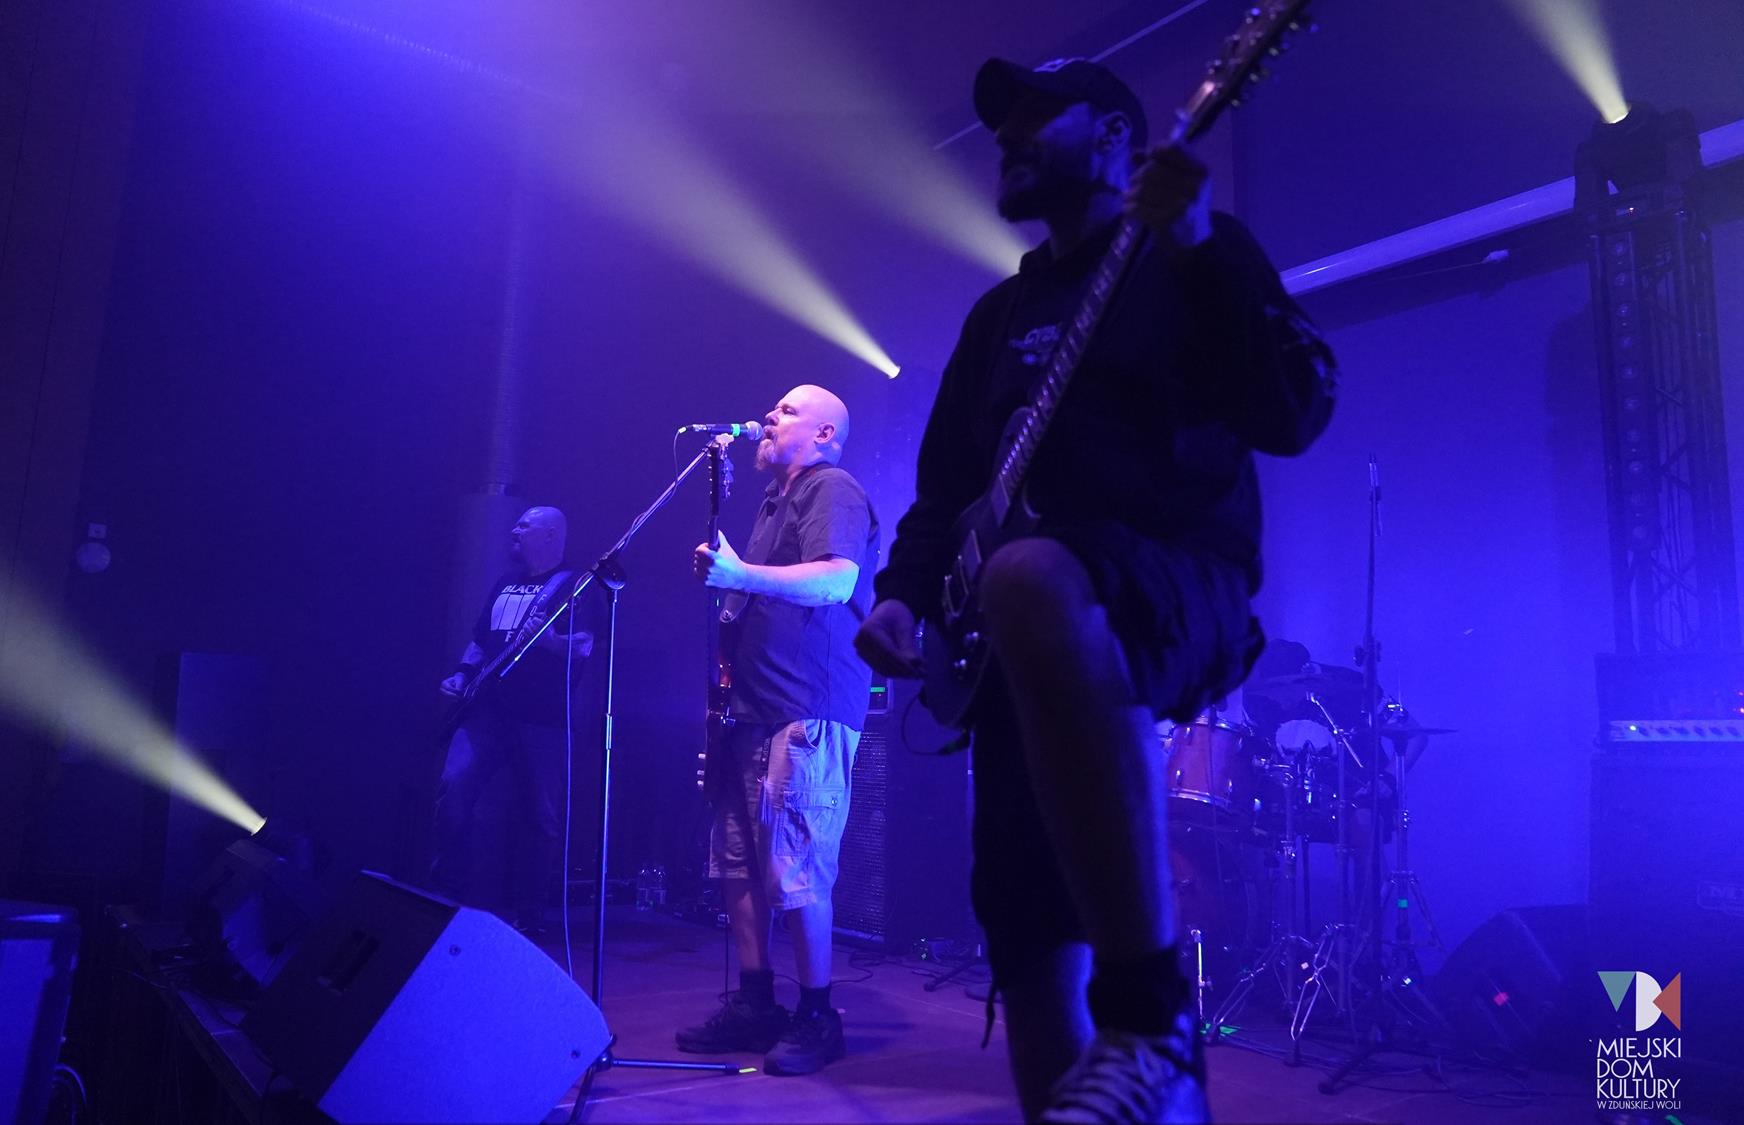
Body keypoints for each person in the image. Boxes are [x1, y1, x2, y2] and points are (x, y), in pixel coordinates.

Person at [854, 58, 1337, 1124]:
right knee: (1025, 926)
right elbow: (947, 487)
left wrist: (1201, 246)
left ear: (1117, 136)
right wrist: (904, 593)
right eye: (1003, 123)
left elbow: (1297, 409)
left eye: (1038, 115)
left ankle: (1148, 1012)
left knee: (1032, 571)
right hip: (1018, 633)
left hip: (1180, 580)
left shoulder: (1191, 253)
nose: (1008, 137)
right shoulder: (998, 315)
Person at [678, 384, 879, 1077]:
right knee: (737, 862)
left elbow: (836, 582)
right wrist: (734, 582)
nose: (769, 415)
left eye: (788, 411)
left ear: (824, 434)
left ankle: (818, 1013)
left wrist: (741, 573)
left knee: (797, 866)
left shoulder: (832, 487)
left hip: (806, 706)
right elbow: (758, 591)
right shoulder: (773, 502)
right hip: (750, 709)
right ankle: (756, 1001)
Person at [433, 506, 594, 936]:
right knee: (453, 791)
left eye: (524, 525)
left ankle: (531, 916)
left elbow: (584, 646)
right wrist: (462, 674)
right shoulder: (505, 583)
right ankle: (445, 899)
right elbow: (479, 639)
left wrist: (551, 642)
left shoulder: (574, 585)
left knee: (539, 816)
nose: (514, 530)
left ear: (550, 535)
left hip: (542, 717)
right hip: (487, 708)